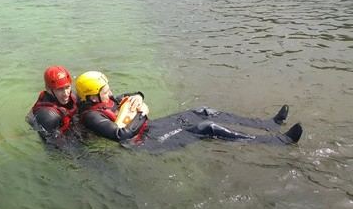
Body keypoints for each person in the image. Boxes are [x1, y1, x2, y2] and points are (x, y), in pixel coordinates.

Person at [75, 71, 303, 151]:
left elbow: (134, 94)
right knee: (207, 128)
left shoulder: (102, 100)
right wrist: (143, 112)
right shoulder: (93, 116)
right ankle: (275, 142)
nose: (111, 92)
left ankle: (267, 124)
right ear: (92, 96)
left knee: (203, 111)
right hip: (145, 145)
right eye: (105, 91)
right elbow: (120, 135)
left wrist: (139, 96)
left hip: (151, 129)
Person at [26, 65, 78, 142]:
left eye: (67, 87)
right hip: (52, 132)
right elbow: (53, 146)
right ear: (48, 90)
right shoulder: (48, 116)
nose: (66, 93)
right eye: (60, 89)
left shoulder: (72, 95)